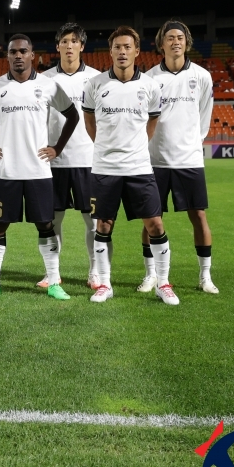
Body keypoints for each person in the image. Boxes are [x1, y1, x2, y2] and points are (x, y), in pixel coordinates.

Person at [0, 34, 81, 301]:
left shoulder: (48, 85)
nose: (18, 55)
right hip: (6, 171)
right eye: (13, 52)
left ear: (33, 55)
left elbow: (73, 115)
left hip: (38, 172)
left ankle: (54, 281)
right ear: (7, 56)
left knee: (45, 225)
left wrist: (57, 148)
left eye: (23, 51)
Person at [83, 26, 178, 306]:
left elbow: (153, 121)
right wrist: (103, 145)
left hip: (139, 167)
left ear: (137, 51)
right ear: (110, 51)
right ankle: (105, 284)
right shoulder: (95, 85)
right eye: (117, 47)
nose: (122, 52)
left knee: (155, 224)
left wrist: (136, 146)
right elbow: (89, 120)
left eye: (128, 47)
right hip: (105, 168)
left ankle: (163, 283)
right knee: (103, 224)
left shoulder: (149, 86)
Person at [142, 21, 217, 295]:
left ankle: (205, 276)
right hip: (155, 161)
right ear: (161, 44)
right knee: (151, 218)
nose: (176, 41)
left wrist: (192, 145)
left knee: (198, 215)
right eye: (170, 38)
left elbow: (204, 117)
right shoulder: (149, 79)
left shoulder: (202, 76)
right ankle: (150, 275)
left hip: (189, 160)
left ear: (187, 43)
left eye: (180, 37)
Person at [39, 22, 102, 289]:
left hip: (88, 161)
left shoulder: (98, 79)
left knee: (93, 221)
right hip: (54, 162)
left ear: (82, 46)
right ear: (57, 46)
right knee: (53, 220)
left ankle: (95, 272)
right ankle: (52, 273)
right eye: (64, 41)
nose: (68, 46)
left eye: (74, 41)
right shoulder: (44, 80)